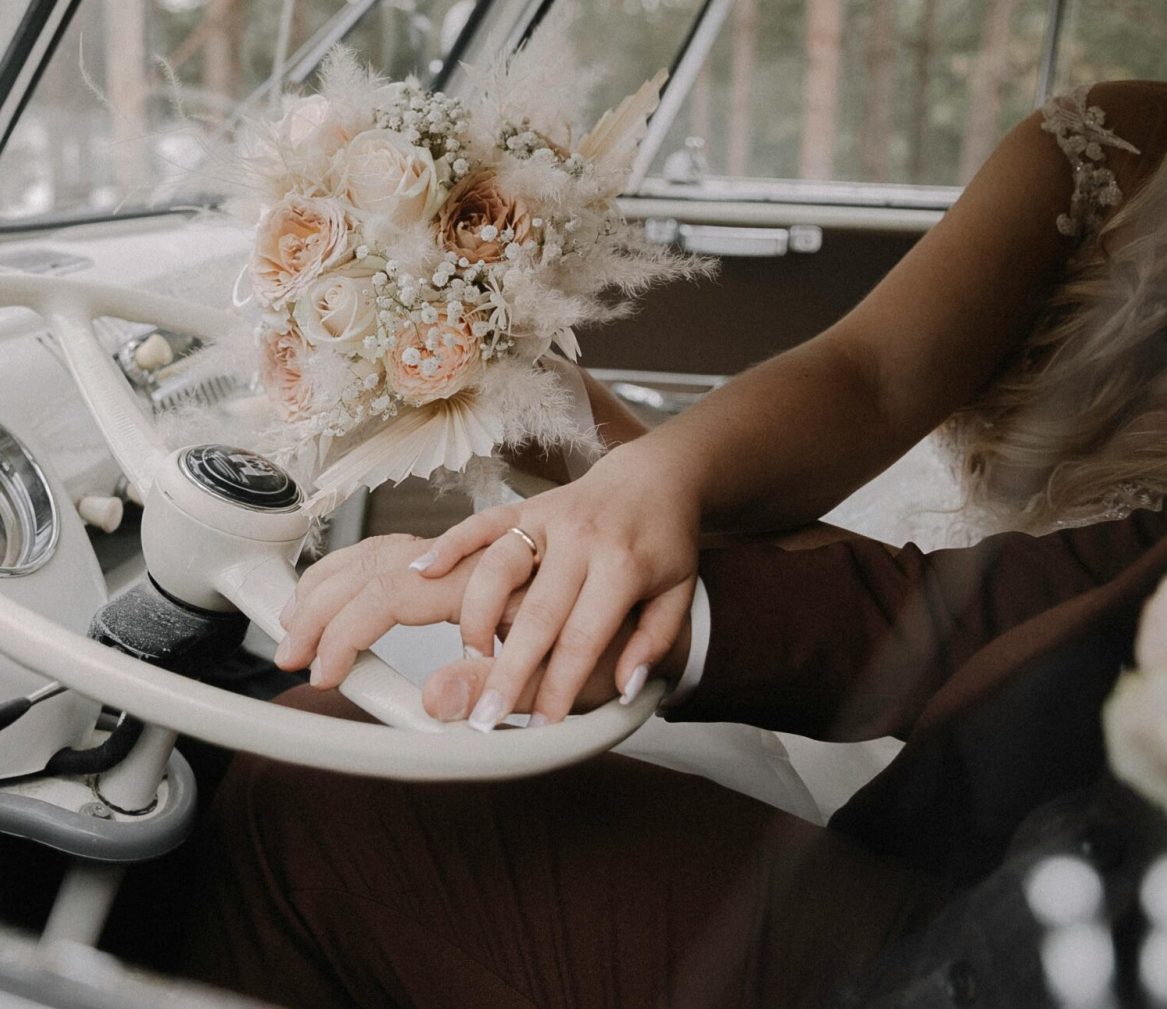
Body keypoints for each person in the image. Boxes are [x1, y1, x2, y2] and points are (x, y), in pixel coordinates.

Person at [167, 80, 1167, 1007]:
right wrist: (637, 480)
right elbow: (871, 380)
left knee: (304, 784)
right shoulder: (1106, 135)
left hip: (1044, 919)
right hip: (989, 754)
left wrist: (633, 586)